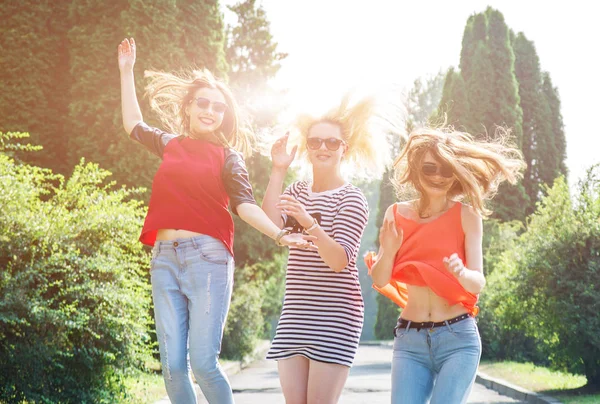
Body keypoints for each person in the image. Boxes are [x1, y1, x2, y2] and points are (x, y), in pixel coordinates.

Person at [117, 37, 312, 404]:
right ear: (189, 107)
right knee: (173, 369)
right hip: (163, 259)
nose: (210, 111)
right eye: (203, 103)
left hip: (207, 258)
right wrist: (126, 71)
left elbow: (245, 205)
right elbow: (133, 124)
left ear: (225, 115)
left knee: (203, 364)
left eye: (219, 107)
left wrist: (278, 234)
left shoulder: (228, 157)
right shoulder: (169, 144)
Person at [366, 126, 526, 404]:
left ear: (456, 173)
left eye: (446, 169)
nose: (438, 176)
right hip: (410, 341)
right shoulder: (396, 213)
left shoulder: (467, 215)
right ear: (417, 169)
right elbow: (380, 279)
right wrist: (389, 251)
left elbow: (478, 282)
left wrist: (462, 274)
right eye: (430, 168)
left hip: (458, 339)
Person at [262, 96, 392, 403]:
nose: (323, 148)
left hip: (336, 314)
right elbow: (271, 225)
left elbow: (338, 261)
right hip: (296, 311)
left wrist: (309, 222)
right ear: (307, 147)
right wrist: (278, 170)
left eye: (332, 143)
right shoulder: (295, 191)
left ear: (344, 149)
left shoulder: (352, 199)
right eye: (316, 141)